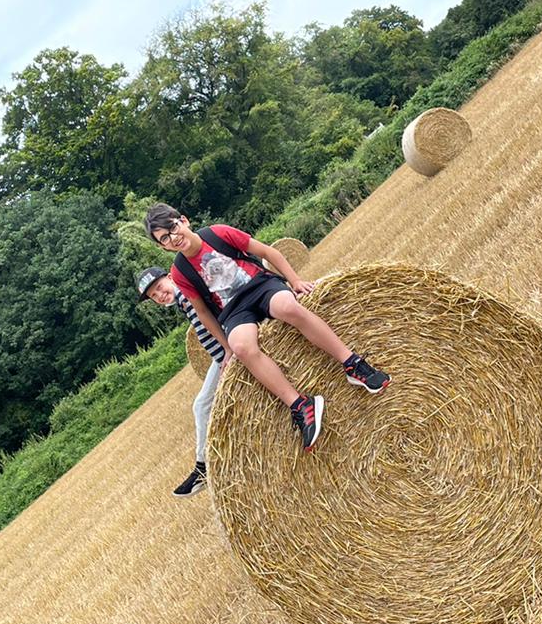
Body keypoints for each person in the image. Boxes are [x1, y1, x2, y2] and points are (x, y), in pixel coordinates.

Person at [144, 203, 389, 451]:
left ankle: (352, 363)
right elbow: (204, 313)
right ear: (163, 247)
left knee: (288, 307)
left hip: (260, 286)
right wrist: (226, 346)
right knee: (242, 347)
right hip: (233, 310)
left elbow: (268, 252)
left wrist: (295, 281)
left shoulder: (217, 233)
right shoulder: (180, 272)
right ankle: (300, 405)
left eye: (173, 228)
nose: (173, 238)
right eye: (164, 238)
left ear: (184, 221)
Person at [135, 265, 225, 496]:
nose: (159, 295)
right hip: (223, 357)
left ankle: (204, 467)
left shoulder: (186, 294)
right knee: (202, 405)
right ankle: (208, 462)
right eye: (153, 295)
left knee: (202, 405)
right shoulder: (182, 301)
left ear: (169, 277)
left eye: (159, 287)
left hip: (228, 354)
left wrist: (229, 350)